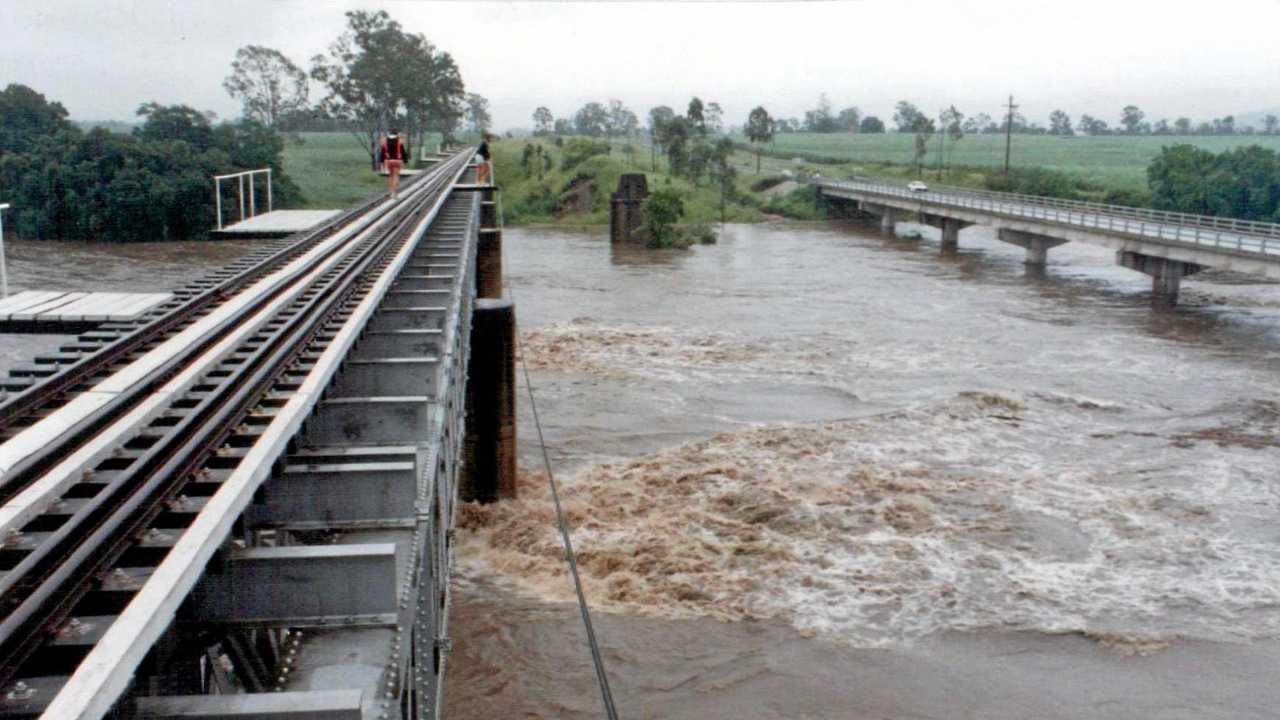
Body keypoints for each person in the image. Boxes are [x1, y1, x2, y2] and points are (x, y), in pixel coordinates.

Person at [381, 128, 409, 199]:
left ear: (389, 133)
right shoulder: (399, 141)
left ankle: (391, 192)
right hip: (397, 161)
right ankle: (395, 193)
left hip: (389, 161)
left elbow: (383, 153)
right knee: (396, 176)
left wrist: (381, 163)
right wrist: (405, 162)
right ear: (396, 134)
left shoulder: (385, 141)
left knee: (391, 176)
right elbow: (403, 152)